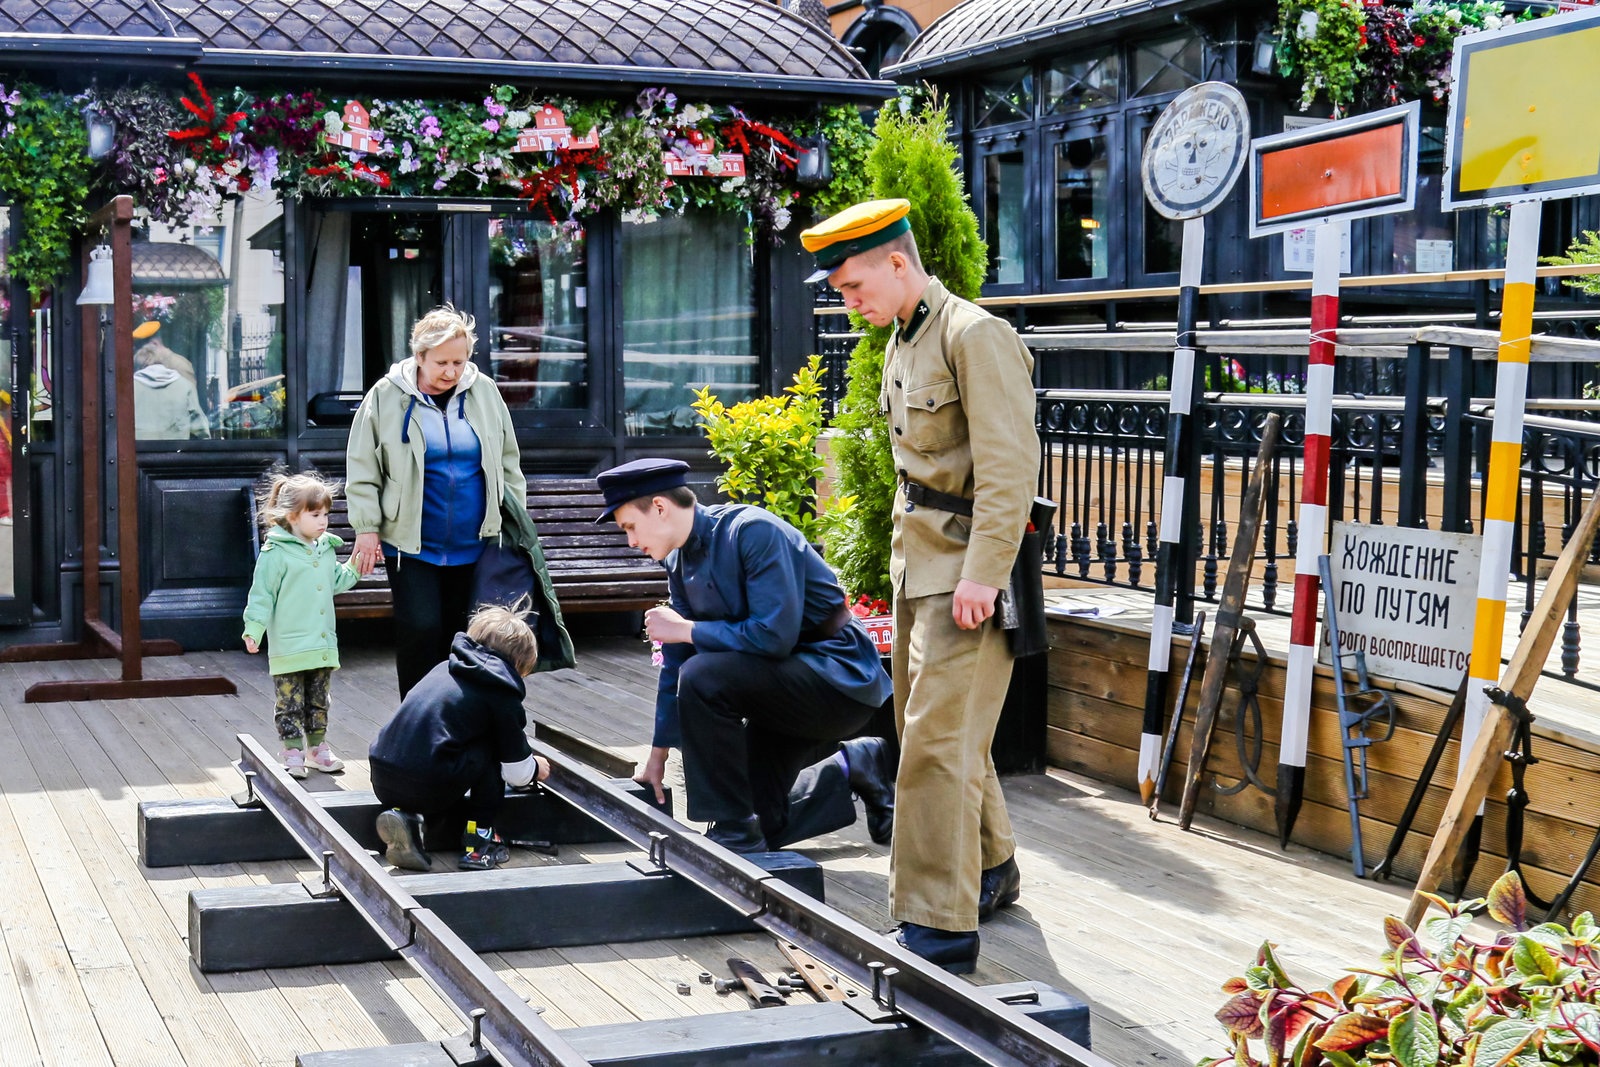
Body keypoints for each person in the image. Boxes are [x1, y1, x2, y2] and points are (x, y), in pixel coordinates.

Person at [801, 199, 1040, 974]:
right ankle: (993, 866)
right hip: (921, 567)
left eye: (853, 282)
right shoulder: (905, 340)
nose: (849, 299)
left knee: (934, 745)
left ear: (897, 263)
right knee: (944, 730)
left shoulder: (975, 335)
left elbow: (1010, 469)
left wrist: (983, 575)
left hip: (968, 572)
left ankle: (939, 924)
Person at [596, 459, 898, 854]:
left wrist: (685, 629)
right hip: (777, 689)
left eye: (629, 527)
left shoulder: (753, 531)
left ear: (659, 507)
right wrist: (657, 756)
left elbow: (773, 637)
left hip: (838, 680)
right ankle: (853, 766)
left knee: (703, 675)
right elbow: (675, 663)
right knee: (765, 823)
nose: (631, 541)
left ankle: (731, 831)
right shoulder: (679, 560)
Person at [345, 304, 527, 698]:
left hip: (476, 543)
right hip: (412, 546)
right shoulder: (386, 395)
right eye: (441, 362)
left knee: (467, 637)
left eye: (459, 362)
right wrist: (366, 528)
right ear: (419, 356)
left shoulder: (485, 393)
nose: (451, 372)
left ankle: (462, 720)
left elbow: (508, 463)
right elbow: (362, 467)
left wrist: (517, 524)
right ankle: (417, 719)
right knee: (420, 631)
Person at [368, 599, 552, 872]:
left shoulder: (444, 668)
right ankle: (479, 842)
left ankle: (405, 818)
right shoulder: (501, 692)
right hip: (429, 784)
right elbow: (515, 772)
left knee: (452, 747)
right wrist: (535, 767)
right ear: (518, 663)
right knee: (491, 747)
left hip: (383, 776)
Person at [242, 471, 361, 779]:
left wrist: (357, 565)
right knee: (290, 702)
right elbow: (261, 595)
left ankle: (317, 749)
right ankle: (292, 750)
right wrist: (253, 628)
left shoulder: (325, 548)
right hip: (289, 646)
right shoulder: (275, 553)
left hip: (321, 644)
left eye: (325, 514)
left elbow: (336, 580)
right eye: (315, 514)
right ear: (292, 516)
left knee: (319, 700)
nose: (323, 521)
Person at [133, 334, 210, 440]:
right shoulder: (185, 386)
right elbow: (200, 429)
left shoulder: (129, 388)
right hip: (175, 453)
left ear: (138, 365)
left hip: (139, 453)